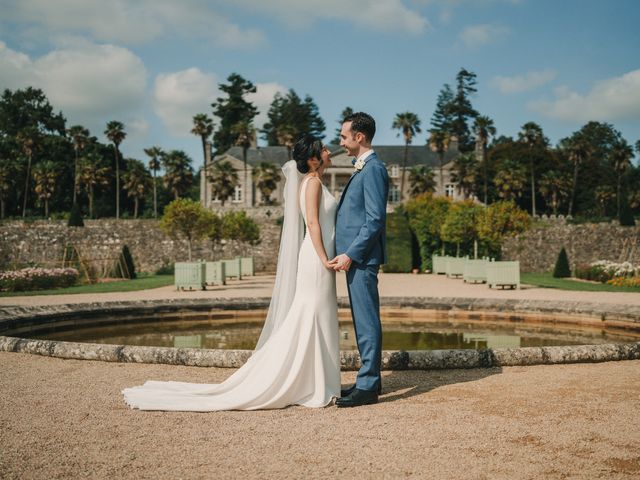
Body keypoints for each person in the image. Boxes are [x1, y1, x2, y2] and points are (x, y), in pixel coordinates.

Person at [122, 136, 340, 411]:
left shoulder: (313, 182)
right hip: (316, 258)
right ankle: (313, 383)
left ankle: (316, 381)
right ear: (312, 159)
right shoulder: (313, 183)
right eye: (323, 149)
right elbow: (312, 223)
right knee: (311, 315)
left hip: (319, 257)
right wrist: (324, 258)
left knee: (316, 316)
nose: (329, 151)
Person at [329, 112, 389, 408]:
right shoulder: (362, 168)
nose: (340, 141)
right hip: (356, 257)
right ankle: (369, 379)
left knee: (366, 320)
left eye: (343, 136)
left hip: (362, 258)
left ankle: (368, 386)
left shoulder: (373, 169)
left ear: (359, 137)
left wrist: (351, 254)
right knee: (361, 319)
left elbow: (375, 220)